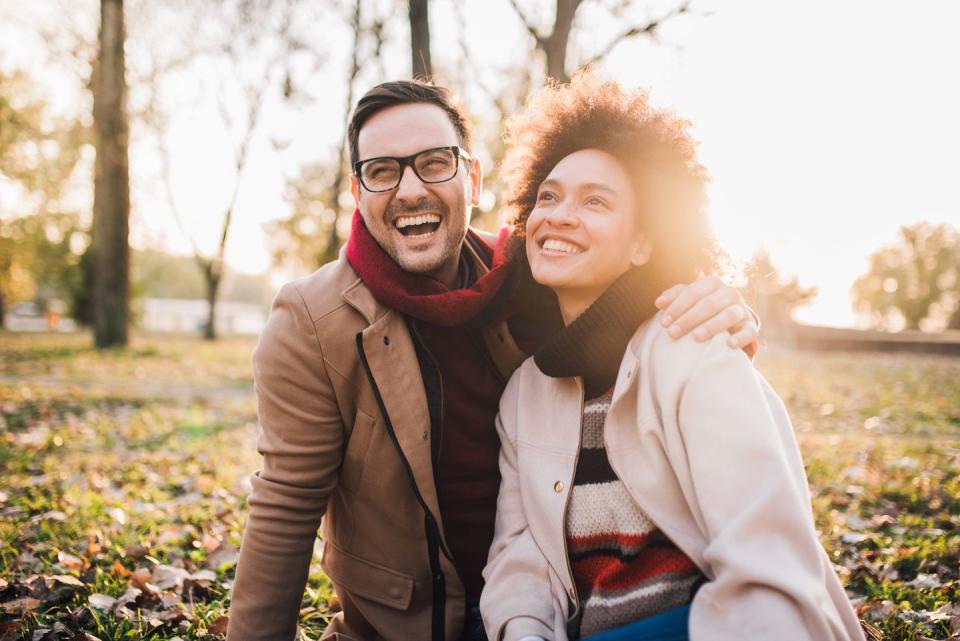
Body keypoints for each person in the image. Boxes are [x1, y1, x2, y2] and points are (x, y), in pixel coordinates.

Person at [226, 79, 758, 641]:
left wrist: (726, 310)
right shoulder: (312, 320)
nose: (409, 190)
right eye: (381, 170)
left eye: (433, 162)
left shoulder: (532, 274)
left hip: (561, 592)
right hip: (415, 622)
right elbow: (285, 504)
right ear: (358, 191)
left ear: (472, 179)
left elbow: (642, 297)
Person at [479, 74, 864, 641]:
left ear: (642, 243)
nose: (558, 215)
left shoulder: (697, 344)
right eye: (549, 196)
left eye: (595, 202)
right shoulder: (524, 394)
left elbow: (766, 561)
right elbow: (521, 558)